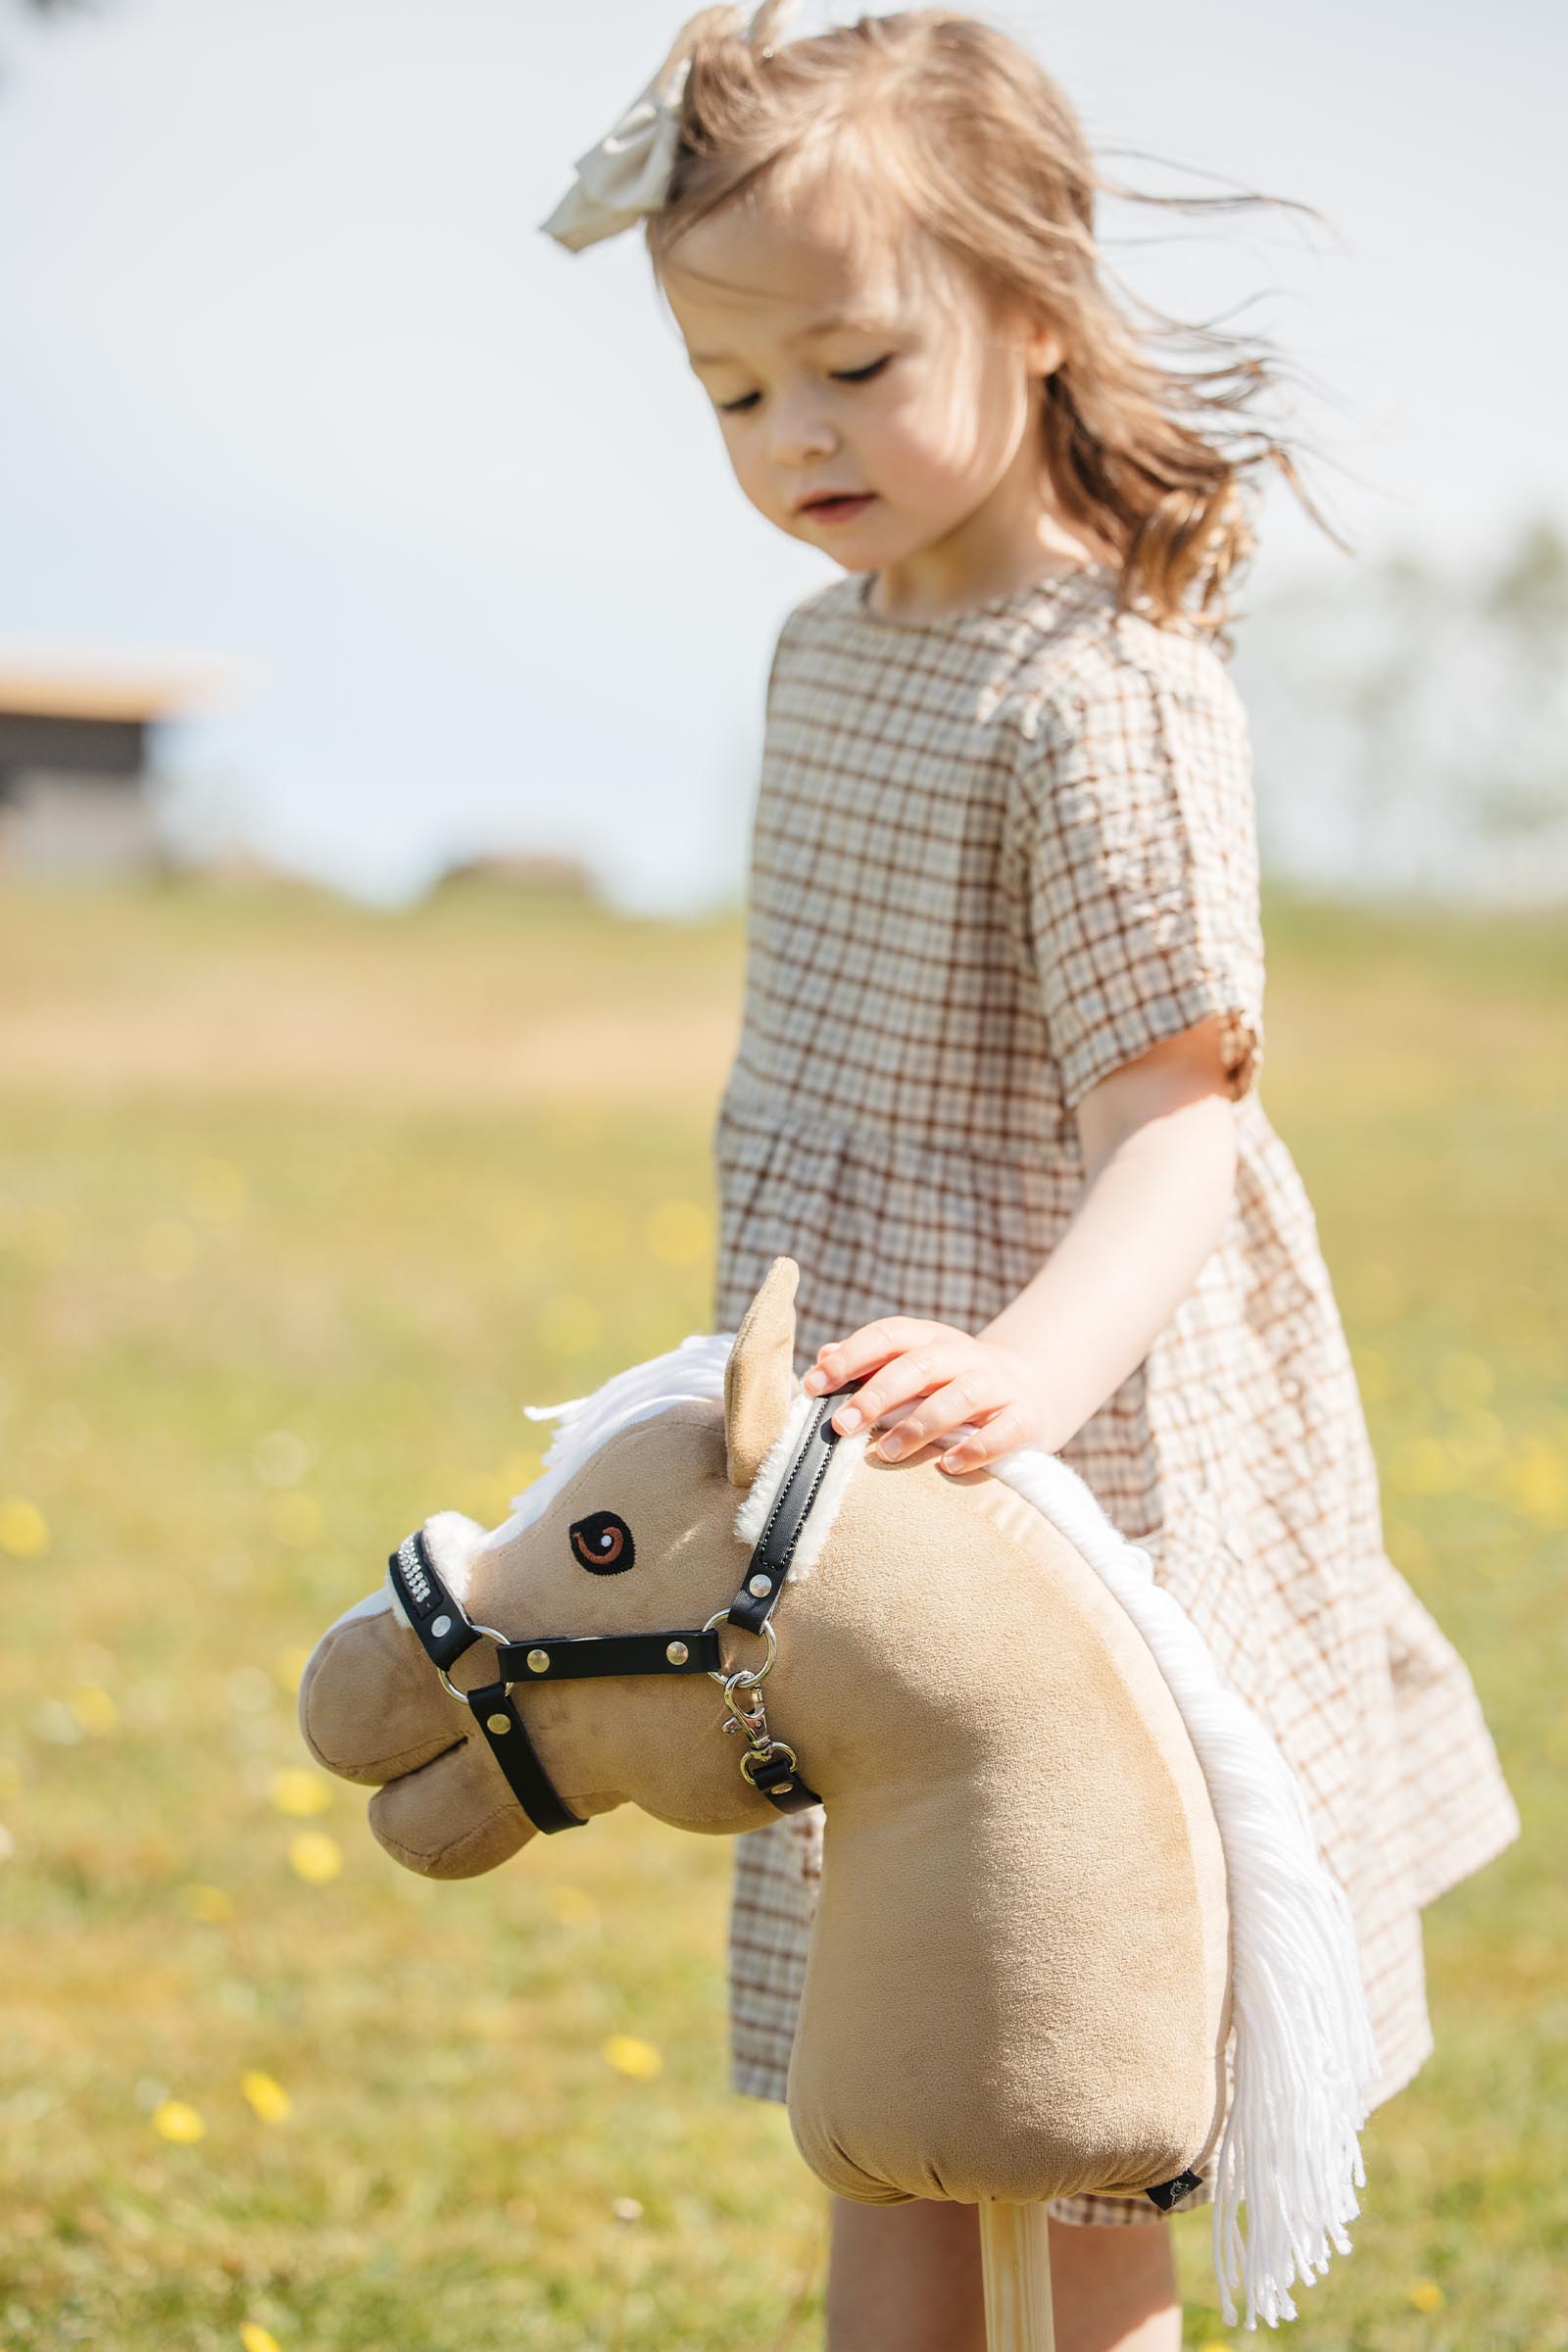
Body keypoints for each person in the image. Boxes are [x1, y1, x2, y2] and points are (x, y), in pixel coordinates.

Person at [539, 8, 1521, 2348]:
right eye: (732, 395)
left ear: (1032, 314)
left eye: (855, 367)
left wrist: (1025, 1368)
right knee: (889, 2071)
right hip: (853, 1470)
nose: (794, 442)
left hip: (1080, 1456)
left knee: (1068, 2089)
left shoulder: (1103, 691)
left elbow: (1180, 1120)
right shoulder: (826, 651)